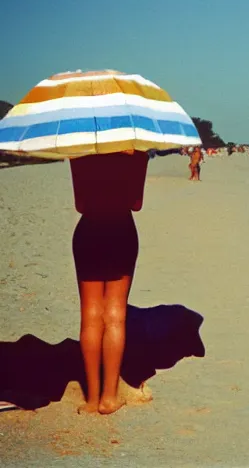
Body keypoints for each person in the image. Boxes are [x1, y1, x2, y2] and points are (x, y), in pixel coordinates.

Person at [70, 149, 149, 414]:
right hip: (121, 229)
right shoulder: (136, 153)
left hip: (89, 228)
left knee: (90, 313)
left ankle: (92, 399)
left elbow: (80, 204)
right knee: (115, 313)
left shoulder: (80, 151)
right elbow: (136, 203)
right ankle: (109, 397)